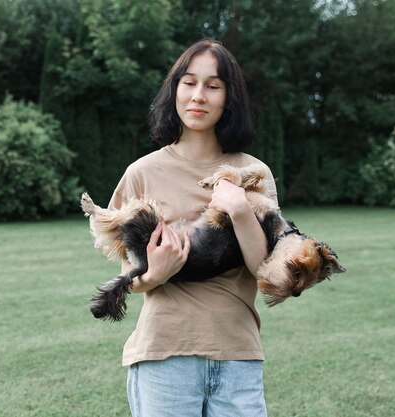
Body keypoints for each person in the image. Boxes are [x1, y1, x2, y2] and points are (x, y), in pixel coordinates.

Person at [107, 39, 278, 416]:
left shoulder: (253, 173)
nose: (198, 95)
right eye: (189, 82)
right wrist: (155, 275)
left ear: (229, 97)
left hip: (237, 355)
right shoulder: (141, 173)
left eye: (213, 86)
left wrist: (239, 210)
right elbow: (128, 278)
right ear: (174, 91)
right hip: (163, 358)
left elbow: (266, 272)